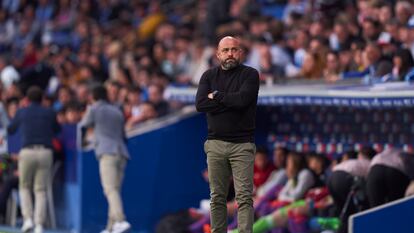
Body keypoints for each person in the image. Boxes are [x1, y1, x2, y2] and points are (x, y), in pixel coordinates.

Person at [195, 36, 260, 233]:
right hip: (215, 143)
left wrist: (218, 97)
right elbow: (201, 105)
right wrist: (230, 101)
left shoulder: (250, 74)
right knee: (217, 197)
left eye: (234, 49)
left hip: (242, 144)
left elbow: (242, 100)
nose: (230, 53)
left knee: (244, 197)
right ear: (218, 54)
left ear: (240, 52)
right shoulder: (208, 76)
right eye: (226, 50)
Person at [7, 86, 60, 233]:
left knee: (24, 186)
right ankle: (39, 225)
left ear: (27, 99)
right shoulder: (49, 112)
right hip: (45, 152)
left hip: (27, 151)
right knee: (40, 189)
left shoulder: (22, 111)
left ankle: (28, 219)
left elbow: (11, 129)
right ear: (42, 99)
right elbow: (57, 130)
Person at [79, 85, 131, 233]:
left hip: (107, 153)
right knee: (114, 191)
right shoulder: (117, 111)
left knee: (110, 190)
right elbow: (123, 136)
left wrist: (83, 143)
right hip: (122, 153)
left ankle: (120, 221)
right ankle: (110, 227)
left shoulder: (94, 108)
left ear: (93, 97)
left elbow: (82, 126)